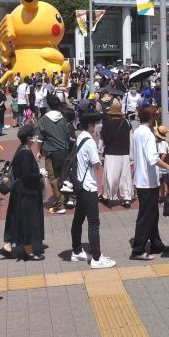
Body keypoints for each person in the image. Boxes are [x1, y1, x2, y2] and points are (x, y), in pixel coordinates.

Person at [130, 105, 169, 260]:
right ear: (151, 117)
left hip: (141, 179)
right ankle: (138, 250)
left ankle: (156, 244)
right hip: (148, 181)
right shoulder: (148, 135)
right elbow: (152, 159)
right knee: (146, 216)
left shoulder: (136, 132)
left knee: (152, 215)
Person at [70, 113, 116, 269]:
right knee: (93, 222)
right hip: (88, 186)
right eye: (95, 124)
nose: (97, 126)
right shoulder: (89, 141)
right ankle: (96, 258)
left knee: (78, 219)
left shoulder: (80, 137)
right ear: (90, 125)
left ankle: (76, 250)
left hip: (79, 184)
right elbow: (96, 164)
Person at [2, 125, 45, 260]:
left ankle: (9, 244)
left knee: (17, 218)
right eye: (33, 135)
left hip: (19, 192)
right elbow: (26, 175)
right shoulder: (25, 153)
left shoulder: (21, 149)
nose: (35, 138)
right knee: (28, 221)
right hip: (26, 192)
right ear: (28, 138)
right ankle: (28, 250)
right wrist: (40, 175)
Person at [36, 95, 75, 214]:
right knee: (63, 177)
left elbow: (40, 139)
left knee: (53, 178)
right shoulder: (63, 119)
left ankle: (59, 205)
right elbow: (67, 135)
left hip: (51, 152)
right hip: (64, 152)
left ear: (48, 105)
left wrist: (38, 151)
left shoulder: (43, 119)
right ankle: (65, 199)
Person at [100, 99, 133, 208]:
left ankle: (109, 196)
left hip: (111, 153)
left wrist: (99, 151)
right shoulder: (126, 123)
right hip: (124, 153)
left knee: (111, 176)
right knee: (124, 176)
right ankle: (126, 197)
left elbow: (102, 138)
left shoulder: (107, 123)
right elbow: (130, 138)